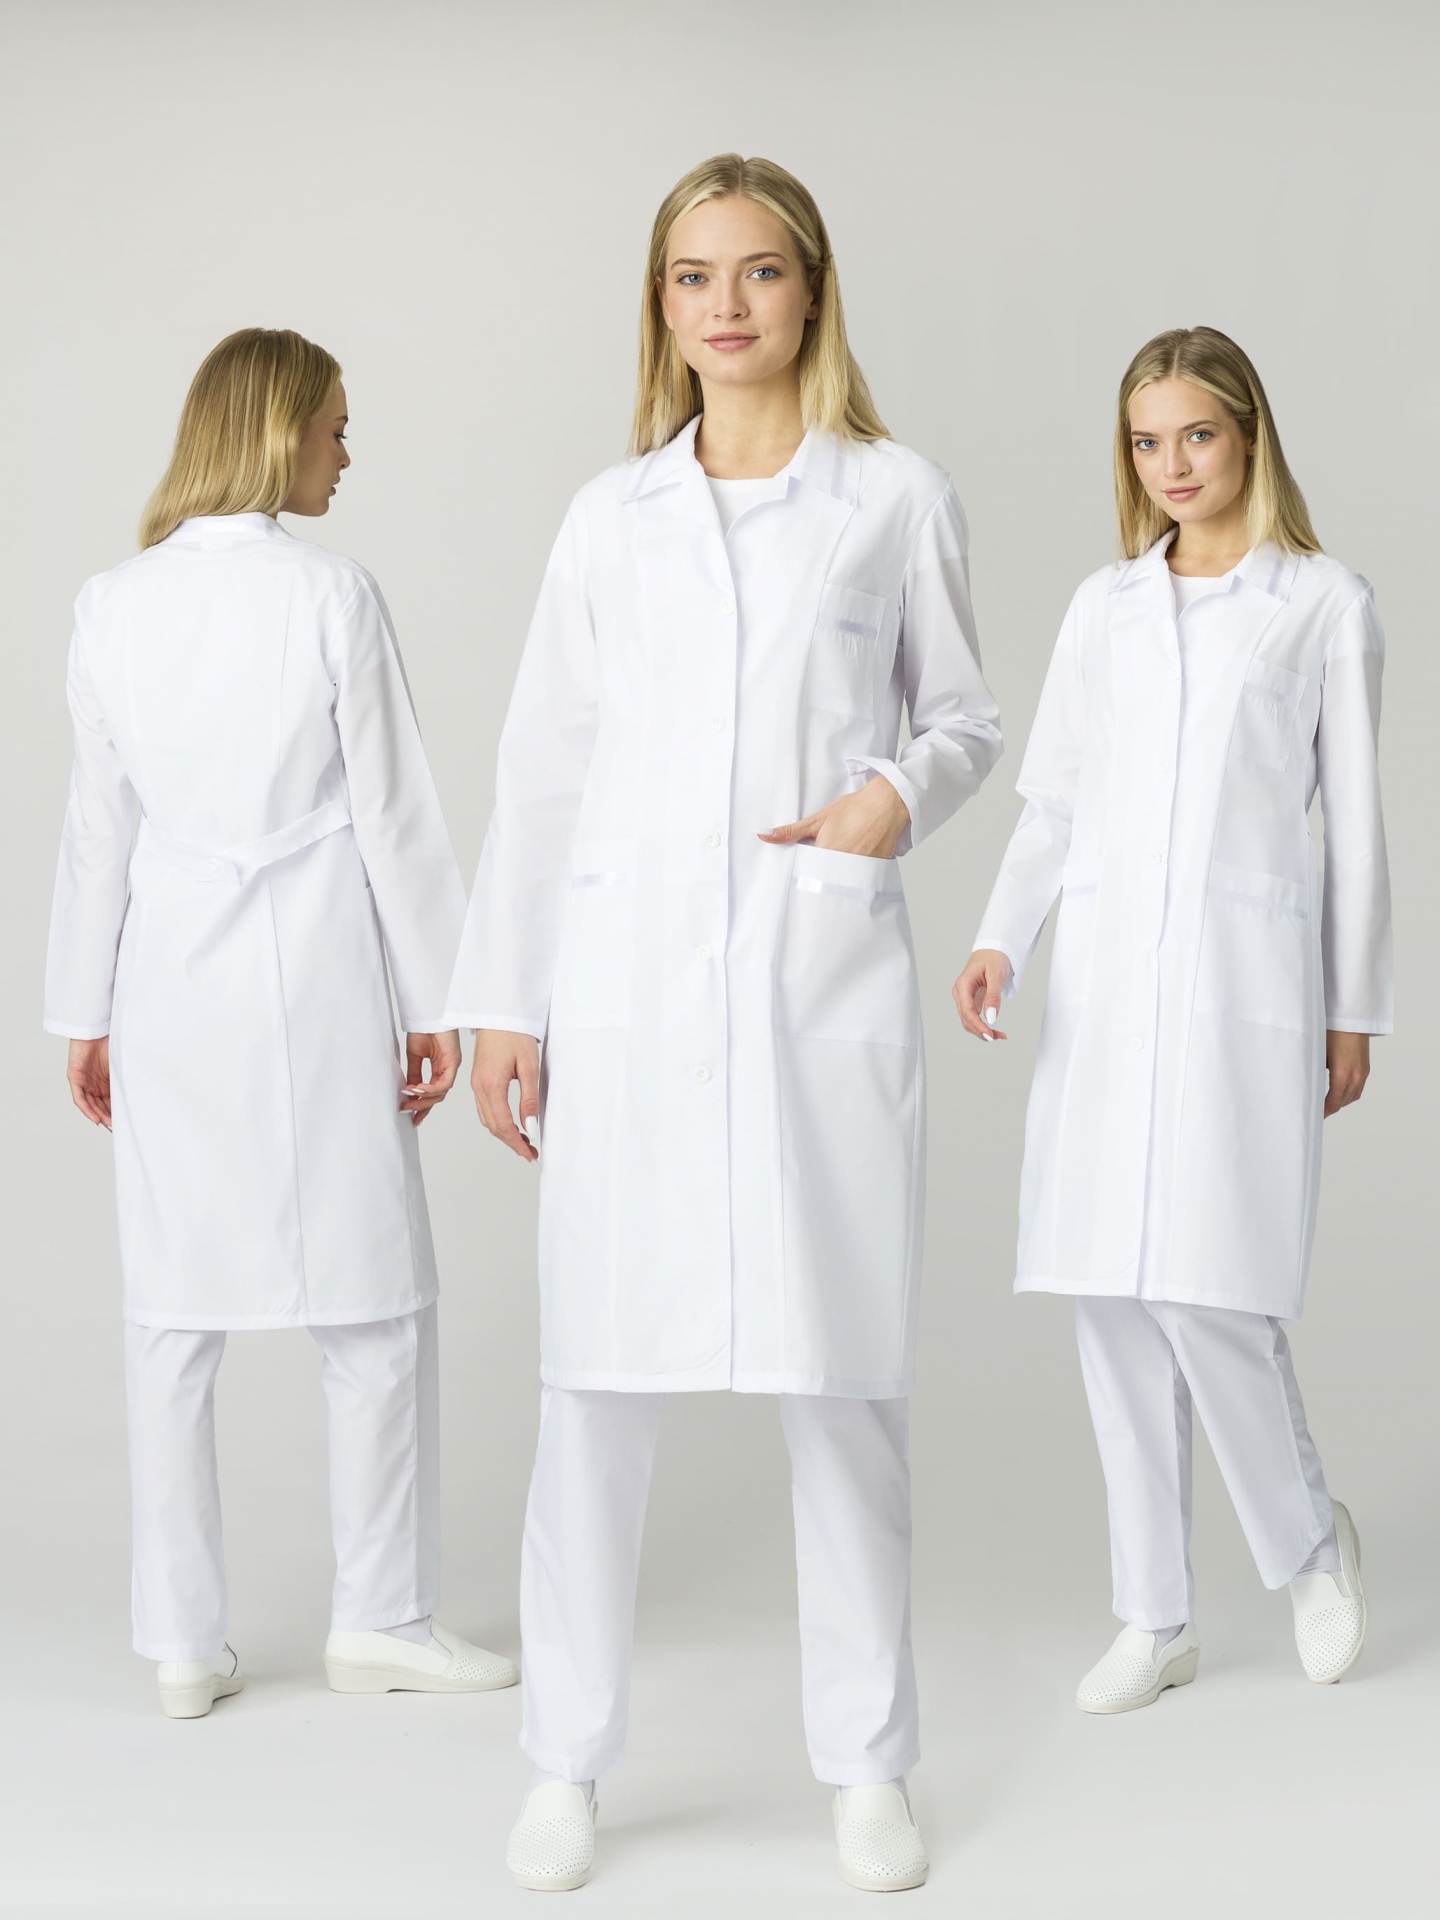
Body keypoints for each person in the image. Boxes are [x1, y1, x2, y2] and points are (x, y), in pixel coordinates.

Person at [447, 155, 1002, 1890]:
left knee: (844, 1388)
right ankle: (564, 1765)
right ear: (662, 306)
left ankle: (869, 1766)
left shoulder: (892, 497)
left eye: (759, 272)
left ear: (812, 289)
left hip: (812, 986)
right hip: (625, 993)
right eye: (694, 277)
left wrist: (890, 801)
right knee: (594, 1392)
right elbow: (544, 768)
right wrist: (504, 1002)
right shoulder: (610, 518)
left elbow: (967, 719)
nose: (728, 305)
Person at [46, 328, 517, 1718]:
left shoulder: (109, 604)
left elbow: (97, 828)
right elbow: (393, 809)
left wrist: (84, 1008)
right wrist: (441, 999)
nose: (347, 456)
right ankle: (381, 1617)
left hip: (168, 982)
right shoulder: (330, 592)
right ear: (276, 431)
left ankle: (182, 1645)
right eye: (334, 429)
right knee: (372, 1304)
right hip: (317, 974)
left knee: (171, 1315)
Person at [954, 326, 1390, 1714]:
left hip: (1240, 985)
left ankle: (1309, 1545)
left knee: (1211, 1287)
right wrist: (1000, 935)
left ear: (1249, 434)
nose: (1173, 466)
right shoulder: (1106, 608)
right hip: (1106, 991)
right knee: (1111, 1298)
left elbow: (1356, 829)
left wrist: (1353, 1008)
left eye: (1197, 435)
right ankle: (1155, 1614)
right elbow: (1058, 797)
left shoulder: (1321, 604)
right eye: (1148, 443)